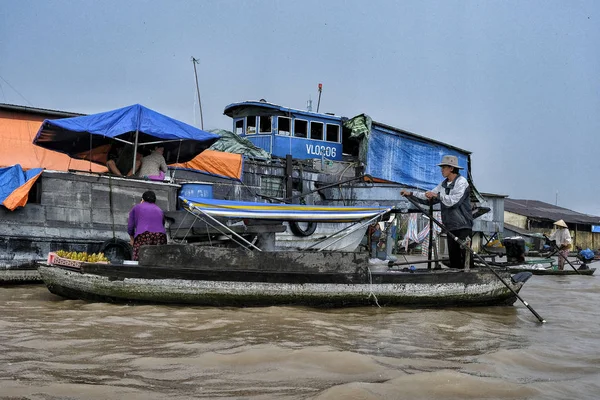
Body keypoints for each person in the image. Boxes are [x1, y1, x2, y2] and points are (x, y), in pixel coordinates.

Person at [400, 155, 473, 269]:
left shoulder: (462, 182)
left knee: (466, 258)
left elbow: (454, 202)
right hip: (450, 226)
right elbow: (428, 196)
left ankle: (471, 280)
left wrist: (437, 196)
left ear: (451, 168)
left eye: (444, 167)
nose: (441, 170)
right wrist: (411, 194)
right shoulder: (443, 184)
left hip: (463, 225)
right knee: (454, 259)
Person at [127, 190, 167, 261]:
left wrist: (132, 239)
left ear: (142, 199)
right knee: (158, 259)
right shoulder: (159, 210)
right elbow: (162, 224)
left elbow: (130, 227)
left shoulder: (136, 207)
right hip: (160, 237)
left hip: (143, 235)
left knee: (140, 259)